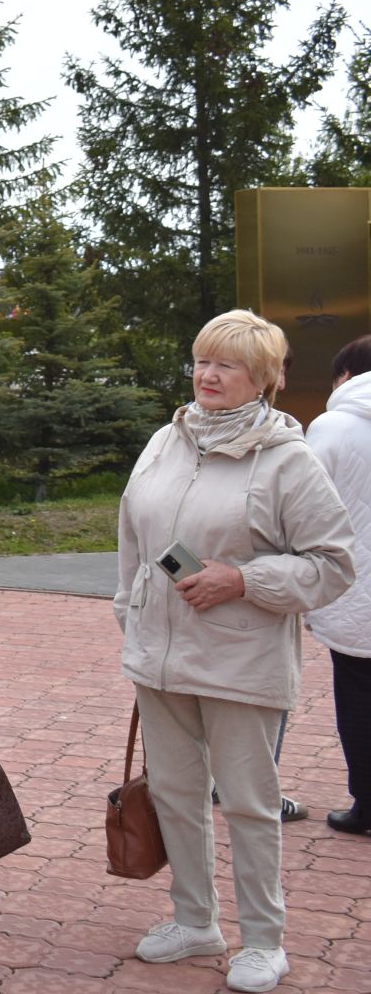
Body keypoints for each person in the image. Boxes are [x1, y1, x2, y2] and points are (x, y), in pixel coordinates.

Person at [114, 310, 353, 994]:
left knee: (248, 804)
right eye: (202, 360)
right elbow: (135, 537)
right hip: (160, 657)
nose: (208, 375)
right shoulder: (168, 439)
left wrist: (244, 578)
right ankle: (195, 919)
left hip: (240, 663)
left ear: (264, 380)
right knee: (175, 794)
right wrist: (129, 615)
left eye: (227, 366)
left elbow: (333, 564)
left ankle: (264, 941)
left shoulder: (288, 460)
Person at [309, 334, 371, 838]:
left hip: (356, 591)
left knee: (358, 696)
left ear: (346, 375)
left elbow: (303, 509)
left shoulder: (331, 427)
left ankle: (368, 804)